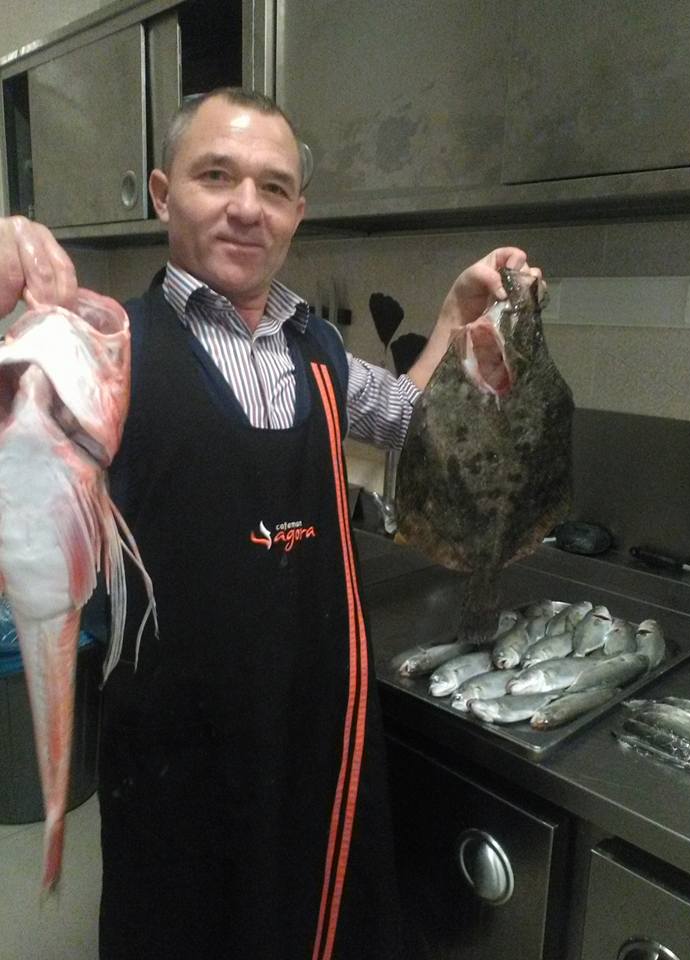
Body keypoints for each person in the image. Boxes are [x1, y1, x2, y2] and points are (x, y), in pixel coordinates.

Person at [0, 87, 543, 960]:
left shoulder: (319, 350)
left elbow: (408, 416)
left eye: (274, 187)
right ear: (162, 193)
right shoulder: (100, 348)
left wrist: (452, 317)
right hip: (176, 748)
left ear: (298, 212)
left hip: (317, 726)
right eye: (216, 176)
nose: (247, 207)